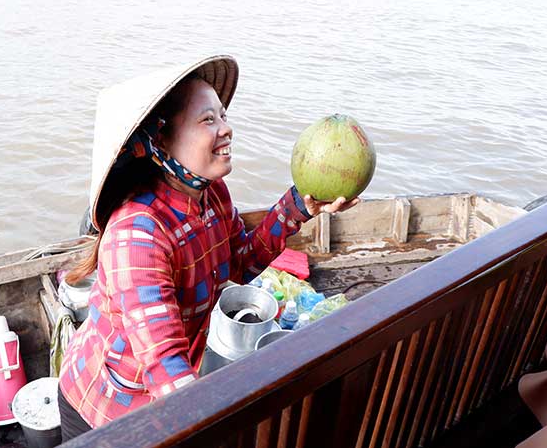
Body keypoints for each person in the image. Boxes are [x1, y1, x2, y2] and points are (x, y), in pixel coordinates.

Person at [57, 55, 360, 440]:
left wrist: (301, 204)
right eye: (208, 120)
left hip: (167, 392)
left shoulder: (212, 194)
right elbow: (164, 362)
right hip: (107, 409)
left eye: (223, 116)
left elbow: (236, 267)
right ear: (161, 139)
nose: (227, 129)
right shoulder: (138, 234)